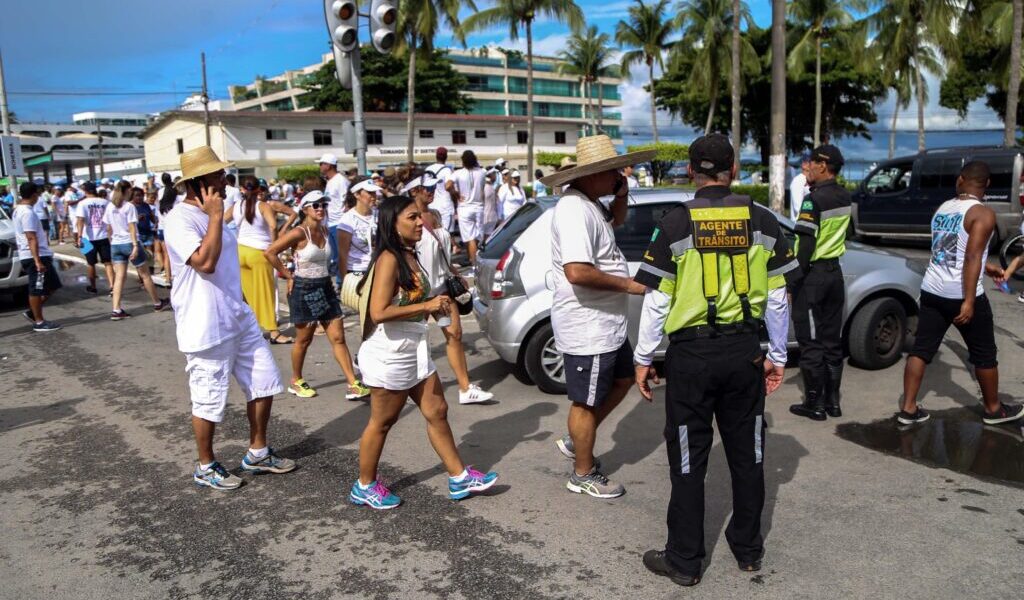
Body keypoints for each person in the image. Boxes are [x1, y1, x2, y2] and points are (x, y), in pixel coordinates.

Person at [633, 133, 798, 587]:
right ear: (734, 170)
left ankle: (685, 560)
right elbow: (780, 297)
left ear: (691, 171)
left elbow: (656, 301)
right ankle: (748, 549)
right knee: (749, 453)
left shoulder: (674, 223)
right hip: (745, 351)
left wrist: (643, 358)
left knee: (689, 456)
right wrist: (777, 355)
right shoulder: (762, 220)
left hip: (691, 357)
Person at [350, 195, 498, 509]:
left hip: (413, 346)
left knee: (437, 410)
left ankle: (459, 477)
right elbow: (379, 311)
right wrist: (428, 305)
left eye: (422, 216)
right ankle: (364, 485)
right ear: (393, 223)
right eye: (413, 217)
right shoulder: (389, 258)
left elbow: (413, 301)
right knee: (382, 421)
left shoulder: (410, 254)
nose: (422, 222)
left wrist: (437, 310)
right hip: (389, 351)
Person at [163, 146, 296, 491]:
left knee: (265, 380)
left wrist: (245, 302)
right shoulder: (180, 219)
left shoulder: (214, 213)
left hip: (237, 315)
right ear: (197, 182)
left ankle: (258, 451)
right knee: (208, 396)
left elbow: (226, 268)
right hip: (205, 323)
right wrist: (216, 217)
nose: (225, 179)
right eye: (218, 174)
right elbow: (205, 264)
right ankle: (206, 465)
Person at [539, 135, 654, 499]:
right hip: (589, 325)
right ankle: (583, 473)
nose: (619, 175)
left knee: (622, 379)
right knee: (585, 402)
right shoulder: (573, 209)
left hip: (606, 325)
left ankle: (578, 441)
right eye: (613, 171)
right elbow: (577, 272)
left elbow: (615, 223)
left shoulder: (589, 202)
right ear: (592, 174)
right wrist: (629, 286)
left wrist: (620, 193)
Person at [898, 161, 1024, 426]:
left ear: (960, 180)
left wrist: (986, 269)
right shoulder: (983, 214)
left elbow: (948, 251)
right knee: (985, 354)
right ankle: (993, 409)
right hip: (961, 295)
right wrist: (968, 300)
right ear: (987, 184)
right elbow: (971, 256)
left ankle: (908, 409)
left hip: (932, 290)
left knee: (921, 351)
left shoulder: (943, 209)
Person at [263, 190, 370, 401]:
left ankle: (352, 383)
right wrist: (288, 275)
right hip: (304, 288)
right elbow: (270, 252)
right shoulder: (299, 233)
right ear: (305, 209)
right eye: (316, 205)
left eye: (323, 205)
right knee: (304, 339)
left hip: (325, 286)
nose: (321, 209)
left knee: (338, 337)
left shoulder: (323, 230)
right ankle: (296, 380)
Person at [402, 173, 496, 405]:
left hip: (442, 287)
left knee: (455, 334)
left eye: (434, 187)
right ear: (414, 191)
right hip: (418, 291)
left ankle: (465, 388)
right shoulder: (404, 219)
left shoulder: (434, 216)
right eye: (427, 188)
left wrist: (456, 274)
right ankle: (400, 387)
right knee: (409, 341)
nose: (432, 191)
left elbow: (440, 254)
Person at [788, 145, 851, 421]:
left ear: (823, 166)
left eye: (810, 163)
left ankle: (814, 405)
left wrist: (792, 284)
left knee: (811, 342)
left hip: (813, 279)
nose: (807, 168)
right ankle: (833, 403)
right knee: (831, 341)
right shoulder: (844, 196)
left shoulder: (814, 201)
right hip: (835, 275)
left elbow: (805, 246)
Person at [233, 176, 297, 344]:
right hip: (259, 253)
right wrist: (275, 243)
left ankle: (250, 330)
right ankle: (274, 332)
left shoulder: (237, 205)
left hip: (240, 251)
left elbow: (222, 221)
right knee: (267, 294)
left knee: (249, 295)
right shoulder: (263, 206)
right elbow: (273, 225)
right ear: (259, 190)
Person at [103, 181, 169, 320]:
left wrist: (112, 242)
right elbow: (132, 227)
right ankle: (157, 303)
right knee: (145, 275)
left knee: (119, 277)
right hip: (130, 242)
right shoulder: (129, 206)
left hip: (116, 244)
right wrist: (134, 246)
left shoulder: (110, 206)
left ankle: (116, 309)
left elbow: (108, 228)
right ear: (127, 190)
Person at [13, 182, 62, 331]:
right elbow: (31, 237)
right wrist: (37, 260)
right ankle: (39, 322)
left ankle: (32, 312)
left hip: (38, 254)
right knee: (36, 288)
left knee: (53, 285)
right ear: (34, 195)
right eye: (38, 194)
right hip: (35, 255)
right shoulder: (27, 212)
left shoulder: (19, 209)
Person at [75, 181, 115, 294]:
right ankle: (112, 286)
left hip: (87, 238)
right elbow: (110, 220)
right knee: (108, 262)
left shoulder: (82, 203)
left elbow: (80, 220)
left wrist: (79, 237)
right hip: (104, 236)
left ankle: (93, 287)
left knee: (90, 263)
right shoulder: (105, 202)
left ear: (85, 191)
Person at [448, 150, 486, 264]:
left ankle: (474, 263)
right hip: (479, 207)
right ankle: (477, 260)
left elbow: (447, 185)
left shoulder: (458, 173)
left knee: (470, 239)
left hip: (464, 208)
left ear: (463, 161)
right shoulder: (482, 172)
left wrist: (455, 193)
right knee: (478, 238)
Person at [319, 153, 351, 288]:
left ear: (329, 165)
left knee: (341, 255)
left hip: (339, 223)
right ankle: (341, 282)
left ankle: (343, 283)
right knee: (335, 256)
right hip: (330, 223)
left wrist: (345, 218)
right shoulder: (330, 181)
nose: (320, 166)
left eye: (321, 164)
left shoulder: (340, 180)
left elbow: (347, 200)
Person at [337, 179, 379, 280]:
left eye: (374, 192)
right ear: (357, 195)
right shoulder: (347, 219)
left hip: (378, 270)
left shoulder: (379, 214)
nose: (373, 196)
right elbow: (343, 254)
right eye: (369, 193)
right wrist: (345, 281)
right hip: (357, 273)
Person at [154, 173, 179, 285]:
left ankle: (168, 278)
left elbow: (156, 214)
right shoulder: (177, 198)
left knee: (166, 254)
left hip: (161, 228)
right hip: (174, 229)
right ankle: (174, 276)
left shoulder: (159, 197)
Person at [424, 147, 456, 231]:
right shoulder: (447, 170)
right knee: (447, 235)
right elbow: (449, 187)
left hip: (431, 206)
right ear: (446, 156)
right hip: (445, 208)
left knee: (434, 235)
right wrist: (456, 196)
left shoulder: (428, 169)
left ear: (436, 156)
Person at [789, 152, 811, 222]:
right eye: (810, 162)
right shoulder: (798, 181)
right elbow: (797, 207)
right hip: (799, 224)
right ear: (804, 164)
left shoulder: (810, 180)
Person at [482, 169, 500, 235]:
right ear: (490, 175)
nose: (496, 176)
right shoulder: (486, 187)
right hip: (485, 217)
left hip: (492, 217)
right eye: (494, 174)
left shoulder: (490, 186)